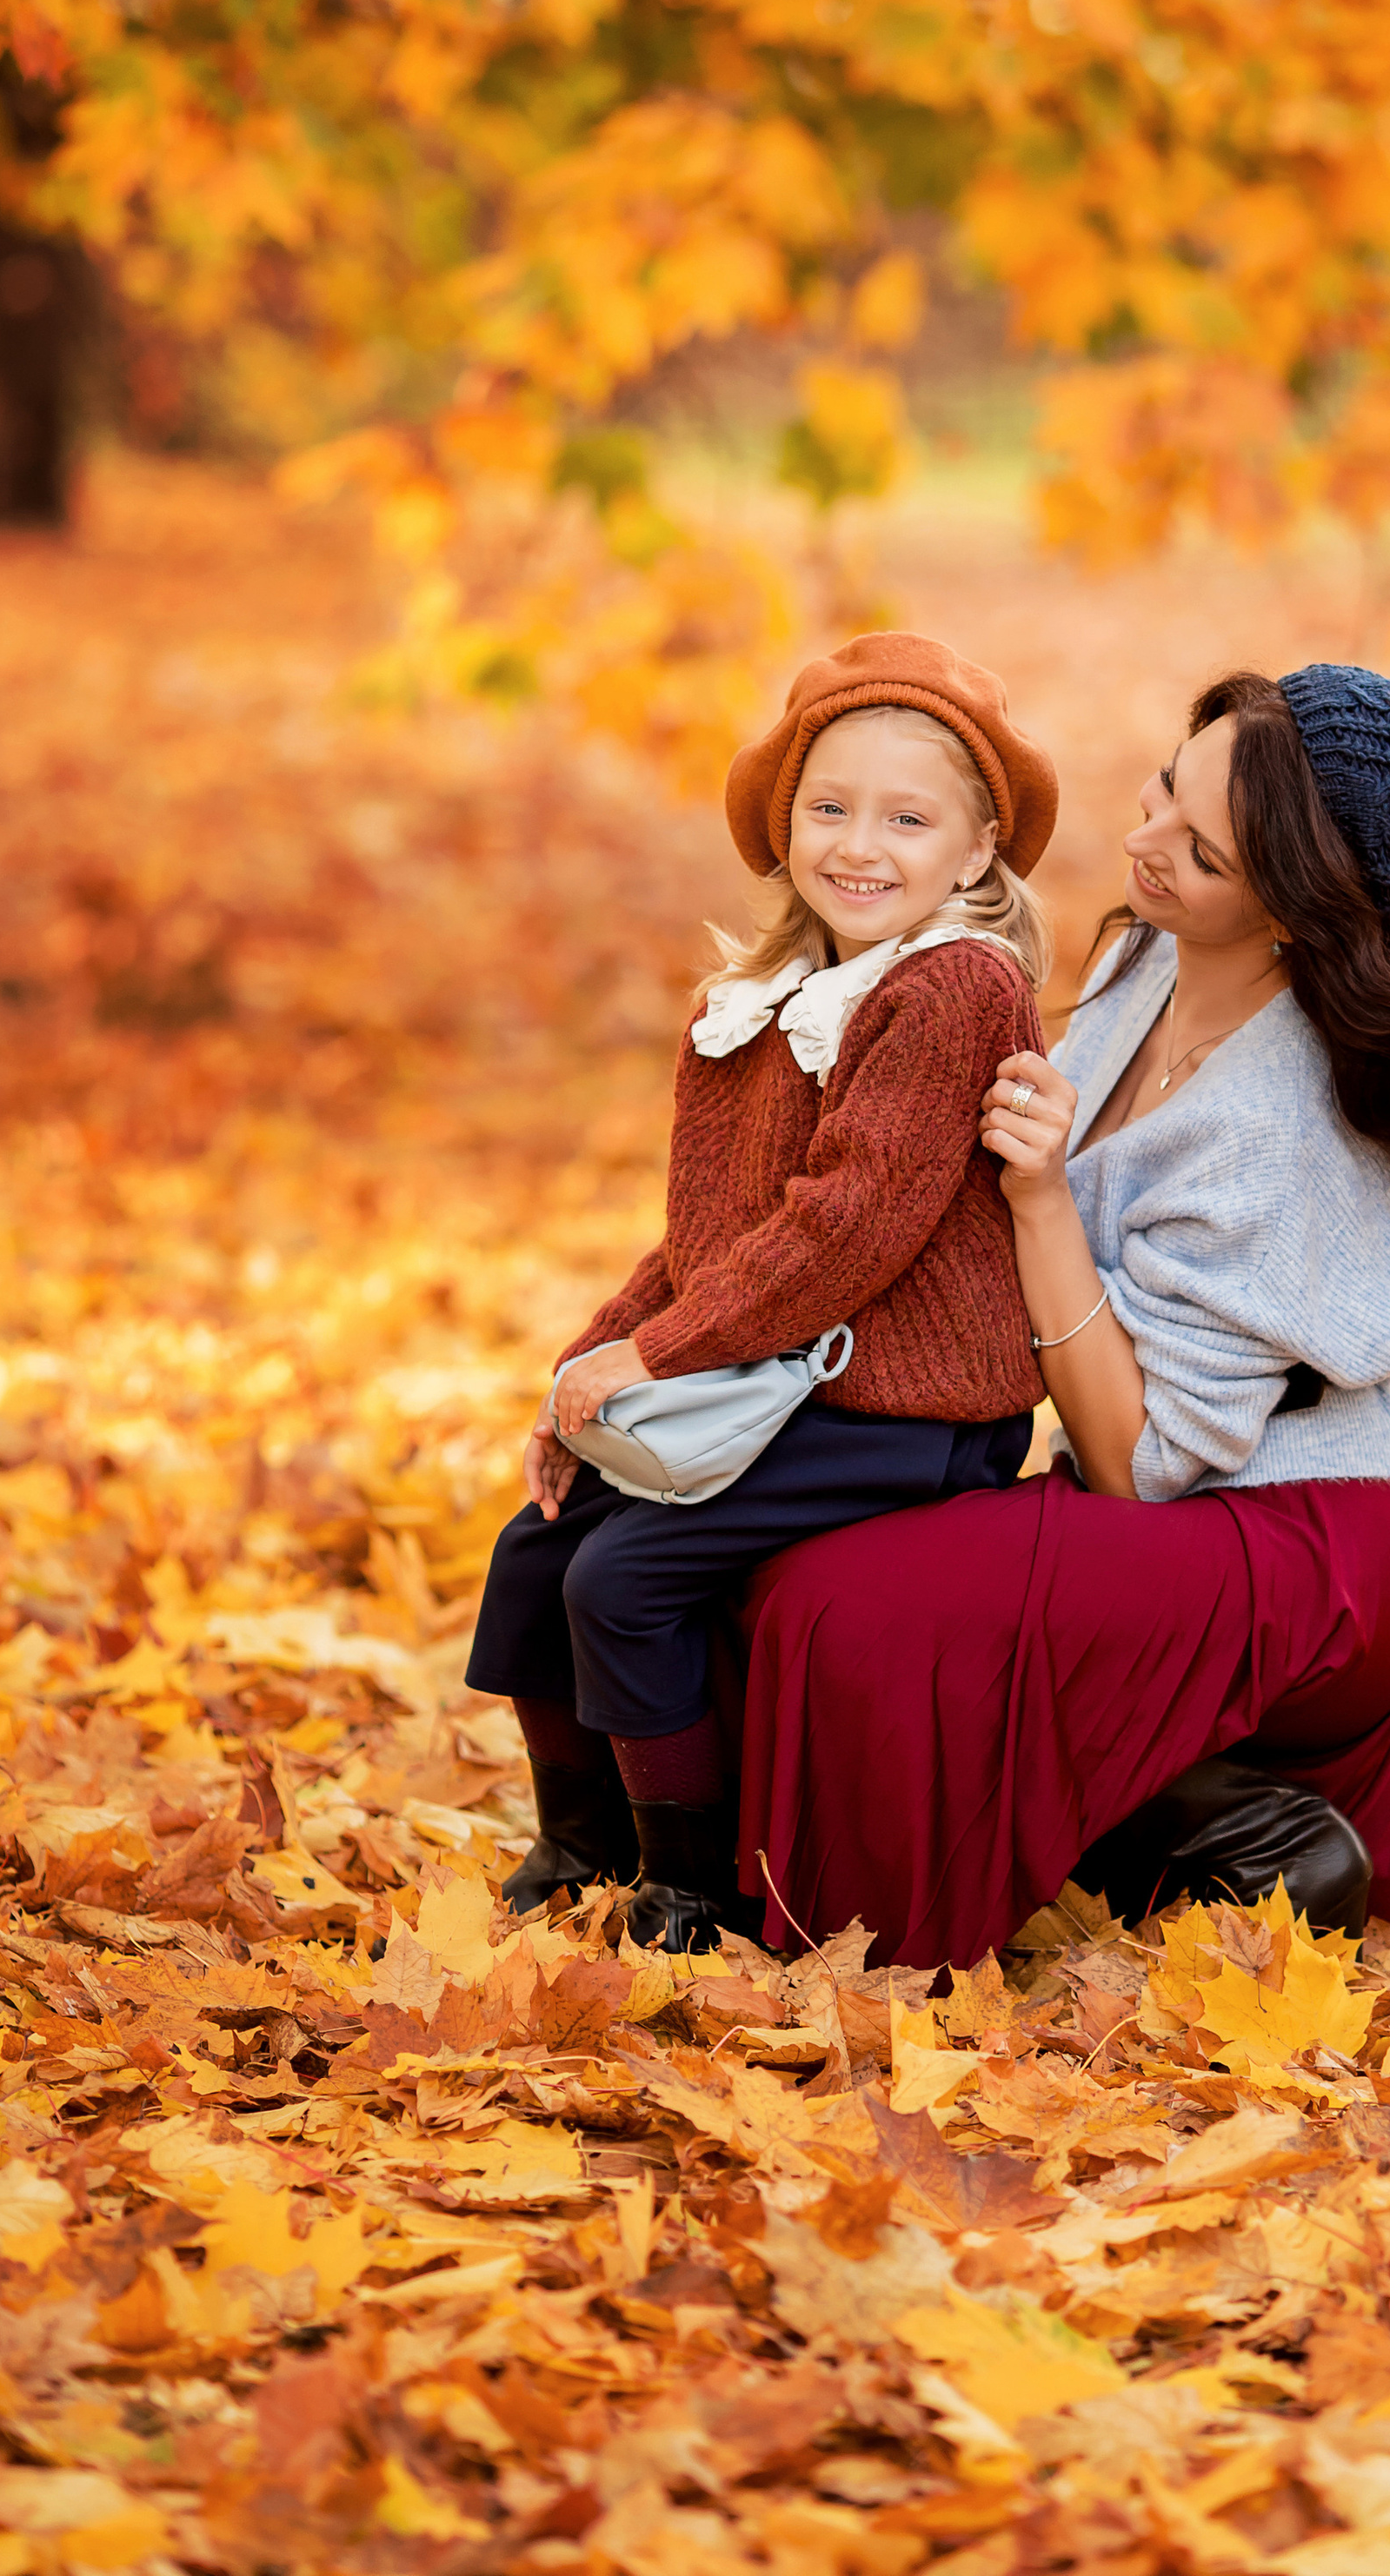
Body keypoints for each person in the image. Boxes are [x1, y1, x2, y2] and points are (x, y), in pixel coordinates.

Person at [728, 663, 1390, 1969]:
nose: (1140, 843)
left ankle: (1188, 1847)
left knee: (845, 1611)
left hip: (1286, 1538)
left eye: (1199, 852)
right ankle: (1197, 1821)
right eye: (1163, 793)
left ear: (1295, 912)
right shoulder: (1154, 958)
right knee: (758, 1545)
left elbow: (1136, 1464)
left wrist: (1039, 1205)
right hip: (1182, 1493)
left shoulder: (1284, 1125)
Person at [466, 632, 1058, 1949]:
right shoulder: (760, 1000)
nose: (862, 844)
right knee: (536, 1552)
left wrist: (662, 1359)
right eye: (829, 808)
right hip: (776, 1370)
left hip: (903, 1412)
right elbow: (705, 1233)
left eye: (909, 818)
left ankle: (699, 1881)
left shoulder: (954, 986)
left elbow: (846, 1225)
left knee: (623, 1577)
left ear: (974, 853)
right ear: (784, 824)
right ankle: (582, 1841)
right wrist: (589, 1366)